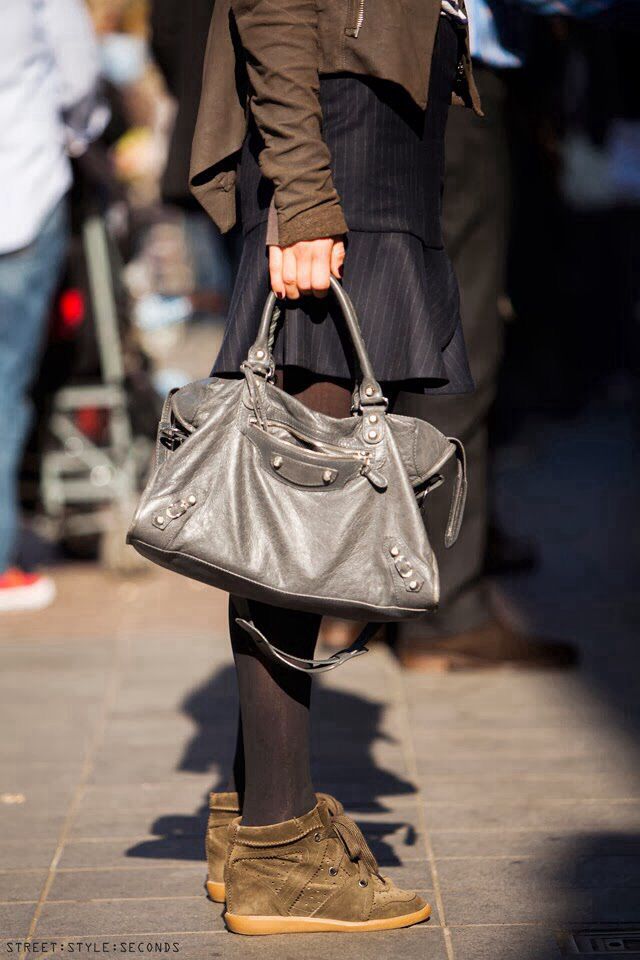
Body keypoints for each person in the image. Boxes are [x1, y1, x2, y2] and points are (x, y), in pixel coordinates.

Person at [190, 0, 480, 935]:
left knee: (299, 495)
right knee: (299, 499)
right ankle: (281, 847)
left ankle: (253, 825)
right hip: (335, 129)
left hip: (369, 131)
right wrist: (306, 192)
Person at [0, 0, 105, 613]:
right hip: (19, 186)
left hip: (22, 186)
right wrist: (82, 131)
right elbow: (79, 78)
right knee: (4, 384)